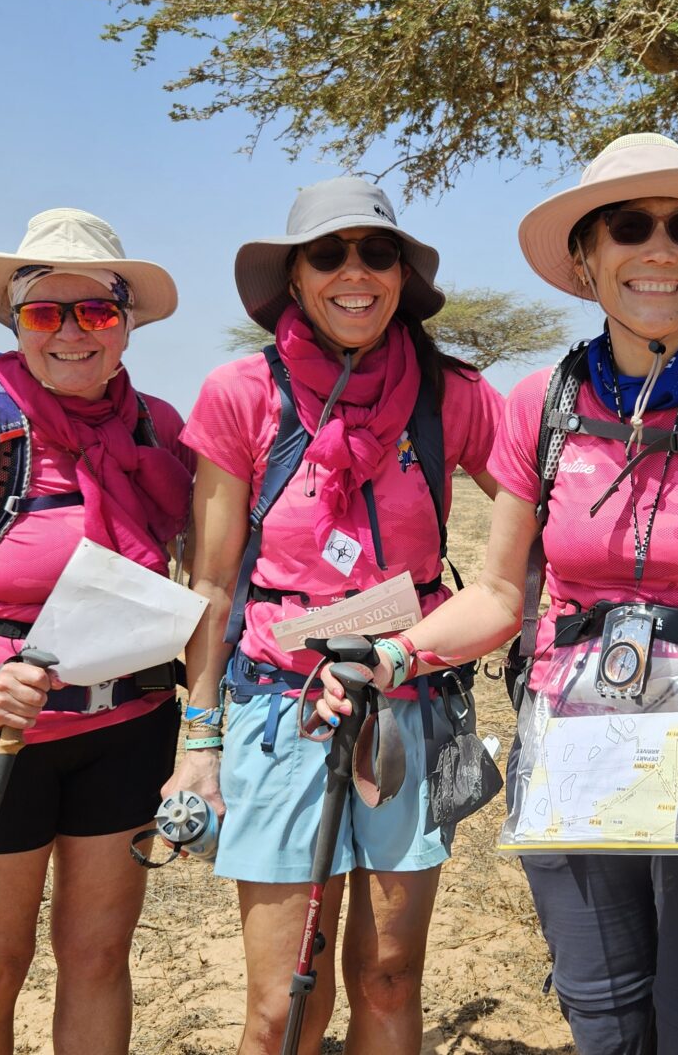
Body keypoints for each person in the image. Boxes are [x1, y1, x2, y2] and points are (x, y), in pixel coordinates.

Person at [318, 134, 678, 1053]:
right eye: (628, 226)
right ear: (585, 259)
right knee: (604, 1023)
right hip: (577, 759)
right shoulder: (540, 401)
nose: (659, 249)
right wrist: (390, 656)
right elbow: (501, 592)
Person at [173, 178, 504, 1055]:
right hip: (280, 706)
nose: (354, 272)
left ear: (402, 274)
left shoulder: (453, 397)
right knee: (284, 1001)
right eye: (329, 254)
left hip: (410, 698)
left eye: (377, 252)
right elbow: (210, 584)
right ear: (294, 277)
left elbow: (539, 534)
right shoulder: (241, 394)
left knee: (391, 978)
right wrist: (199, 738)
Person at [0, 208, 194, 1055]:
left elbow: (210, 568)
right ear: (16, 324)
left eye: (95, 311)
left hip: (127, 729)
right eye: (46, 313)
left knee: (97, 956)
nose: (72, 333)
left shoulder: (160, 428)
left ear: (126, 324)